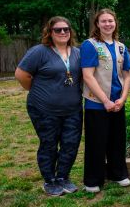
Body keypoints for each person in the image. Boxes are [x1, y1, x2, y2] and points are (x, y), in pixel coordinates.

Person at [15, 16, 82, 196]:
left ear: (70, 32)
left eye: (66, 29)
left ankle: (63, 177)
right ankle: (49, 180)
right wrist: (38, 91)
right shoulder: (39, 51)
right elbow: (21, 74)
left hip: (72, 110)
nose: (62, 33)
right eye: (57, 30)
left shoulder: (77, 52)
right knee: (49, 144)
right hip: (44, 109)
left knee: (70, 144)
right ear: (49, 32)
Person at [81, 8, 130, 193]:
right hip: (97, 103)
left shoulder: (121, 47)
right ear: (97, 24)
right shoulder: (90, 45)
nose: (108, 24)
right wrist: (105, 101)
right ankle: (93, 179)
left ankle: (118, 174)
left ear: (115, 23)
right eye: (103, 21)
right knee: (97, 141)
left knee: (117, 140)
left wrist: (122, 99)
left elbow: (127, 76)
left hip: (117, 103)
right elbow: (88, 76)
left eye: (111, 21)